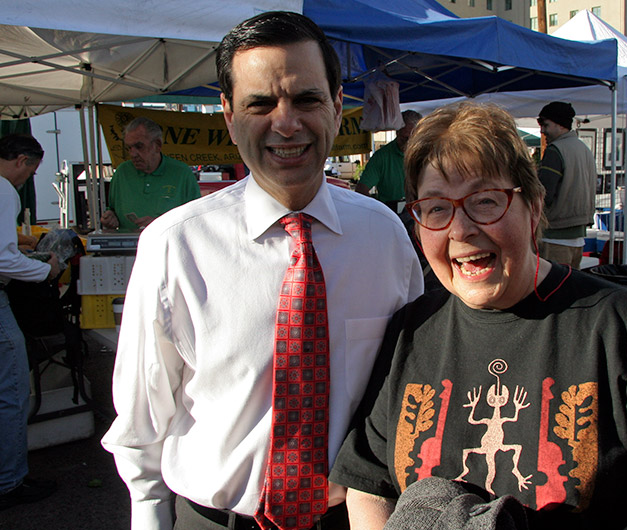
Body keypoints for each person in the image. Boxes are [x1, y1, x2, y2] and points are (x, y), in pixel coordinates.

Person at [329, 103, 627, 529]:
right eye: (436, 208)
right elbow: (368, 482)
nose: (460, 229)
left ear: (533, 207)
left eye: (485, 200)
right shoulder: (410, 330)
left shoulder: (617, 323)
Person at [101, 11, 423, 530]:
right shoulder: (175, 245)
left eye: (306, 99)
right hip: (213, 518)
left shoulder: (384, 236)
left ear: (338, 107)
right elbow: (143, 419)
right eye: (260, 103)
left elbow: (411, 385)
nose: (286, 122)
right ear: (229, 115)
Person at [0, 134, 60, 510]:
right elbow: (2, 260)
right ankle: (9, 481)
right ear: (21, 160)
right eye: (31, 172)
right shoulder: (5, 189)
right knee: (12, 393)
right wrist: (46, 270)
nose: (27, 181)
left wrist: (17, 243)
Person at [100, 116, 200, 231]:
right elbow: (112, 209)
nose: (133, 154)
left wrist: (159, 224)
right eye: (129, 148)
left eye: (139, 146)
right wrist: (110, 217)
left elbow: (196, 220)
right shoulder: (122, 172)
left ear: (157, 145)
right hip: (128, 246)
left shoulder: (182, 173)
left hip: (166, 246)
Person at [536, 101, 596, 269]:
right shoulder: (584, 149)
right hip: (578, 238)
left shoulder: (555, 150)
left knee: (549, 291)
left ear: (560, 124)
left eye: (546, 125)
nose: (542, 131)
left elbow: (544, 194)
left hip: (554, 236)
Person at [355, 110, 422, 213]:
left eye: (414, 138)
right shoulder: (381, 157)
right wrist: (378, 210)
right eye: (405, 138)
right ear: (397, 132)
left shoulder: (424, 154)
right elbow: (361, 190)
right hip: (390, 212)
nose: (409, 143)